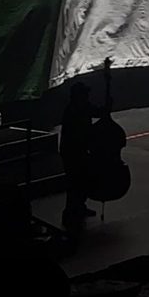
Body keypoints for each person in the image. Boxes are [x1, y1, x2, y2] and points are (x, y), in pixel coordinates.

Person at [59, 82, 98, 225]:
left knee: (79, 182)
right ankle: (71, 211)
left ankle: (78, 207)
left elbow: (98, 112)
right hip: (73, 152)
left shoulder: (78, 108)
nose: (88, 97)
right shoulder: (74, 111)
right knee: (75, 182)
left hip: (75, 151)